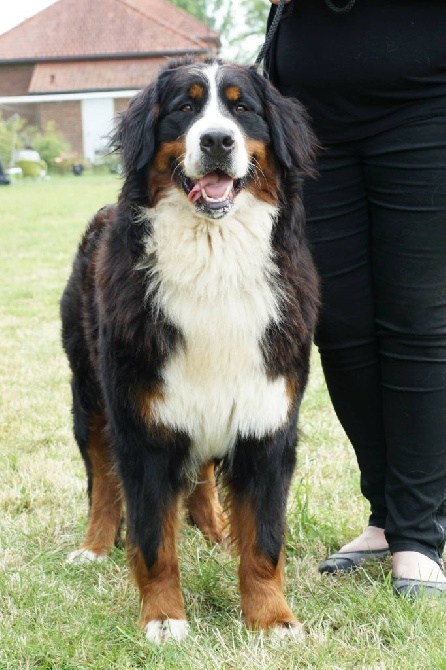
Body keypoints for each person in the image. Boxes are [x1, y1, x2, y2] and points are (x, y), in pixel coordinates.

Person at [266, 0, 446, 596]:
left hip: (426, 101)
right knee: (337, 328)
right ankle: (387, 515)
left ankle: (419, 534)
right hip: (311, 116)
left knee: (416, 323)